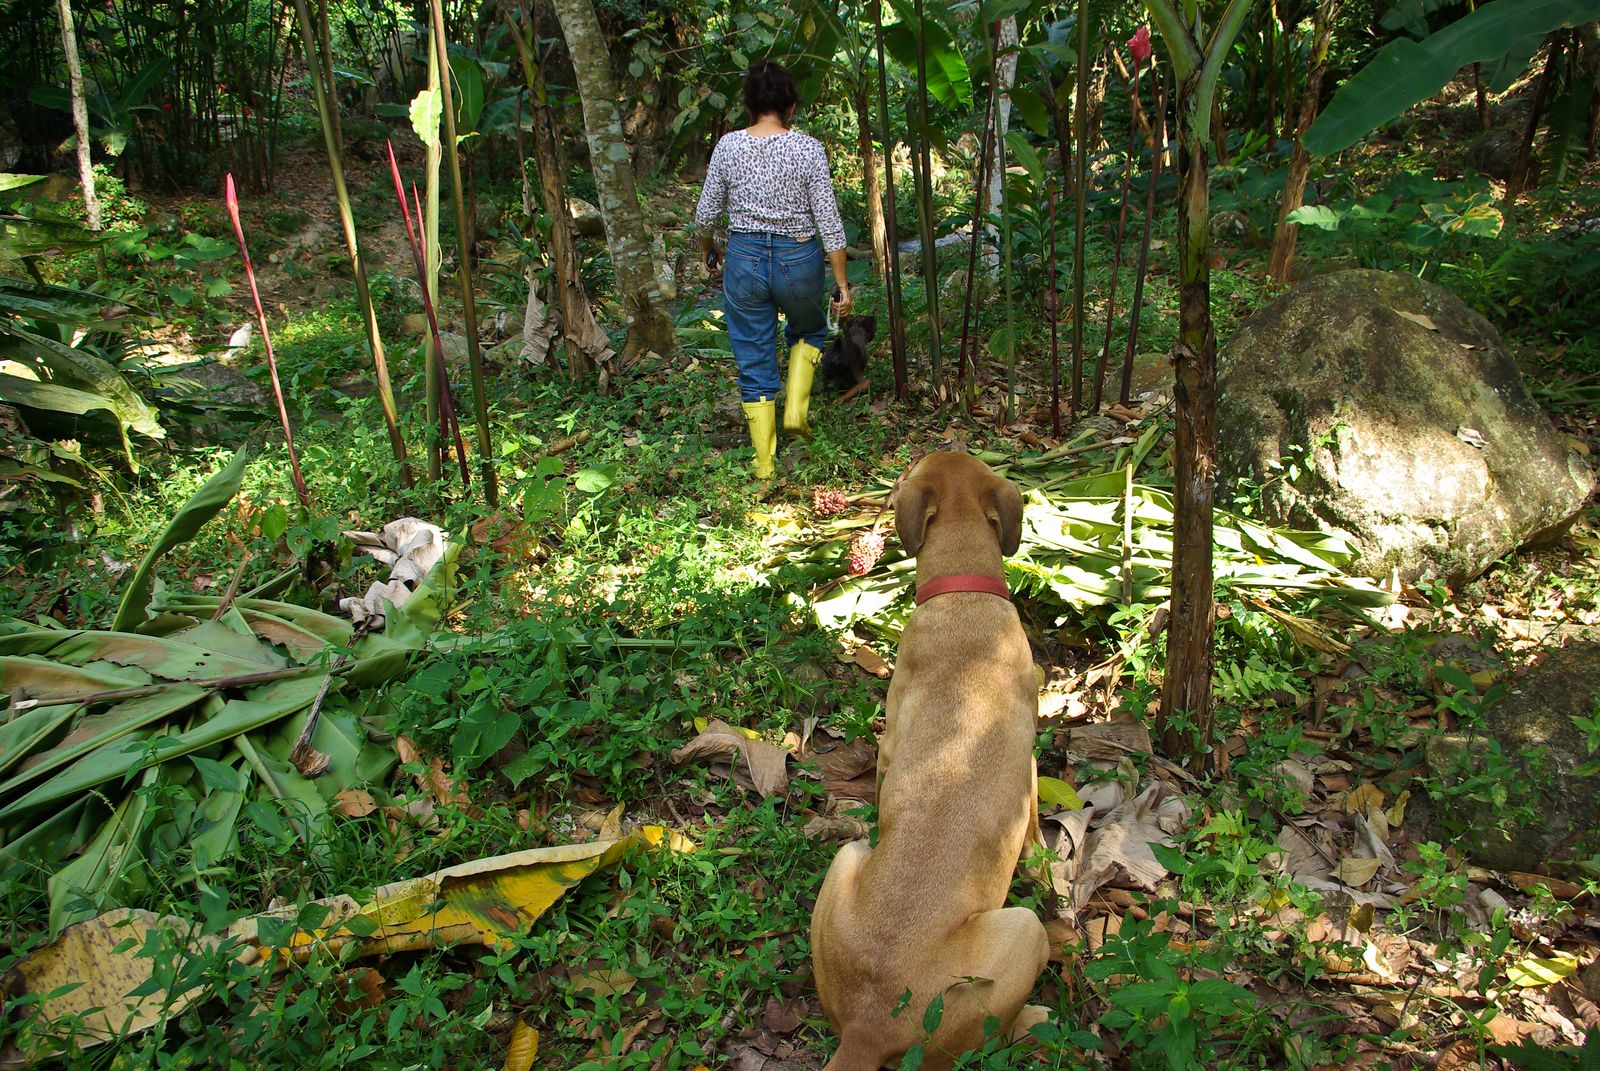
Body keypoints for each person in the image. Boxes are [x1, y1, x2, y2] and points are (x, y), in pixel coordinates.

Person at [693, 60, 852, 481]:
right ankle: (796, 410)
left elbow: (705, 215)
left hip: (743, 259)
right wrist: (840, 283)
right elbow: (830, 222)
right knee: (810, 329)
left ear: (749, 106)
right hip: (798, 260)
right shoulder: (809, 149)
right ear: (791, 107)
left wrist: (709, 250)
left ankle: (764, 464)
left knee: (752, 351)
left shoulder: (727, 147)